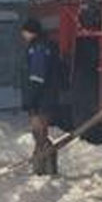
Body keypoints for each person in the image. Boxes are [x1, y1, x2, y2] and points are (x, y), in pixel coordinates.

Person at [19, 18, 63, 176]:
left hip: (41, 98)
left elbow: (37, 76)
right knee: (40, 133)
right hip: (45, 96)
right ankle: (44, 167)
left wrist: (31, 99)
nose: (22, 35)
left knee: (39, 133)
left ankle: (45, 168)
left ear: (31, 32)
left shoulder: (39, 48)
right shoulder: (42, 46)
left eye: (24, 31)